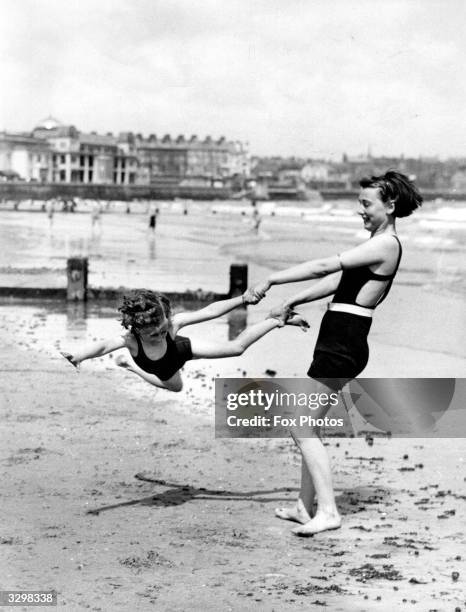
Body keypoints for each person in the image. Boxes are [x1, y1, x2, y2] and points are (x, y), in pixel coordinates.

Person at [245, 170, 422, 536]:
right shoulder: (374, 242)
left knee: (300, 423)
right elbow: (336, 281)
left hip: (344, 344)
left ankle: (327, 511)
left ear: (390, 206)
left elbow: (326, 265)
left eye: (366, 204)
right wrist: (293, 299)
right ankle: (302, 505)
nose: (360, 210)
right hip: (336, 339)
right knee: (306, 421)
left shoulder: (387, 244)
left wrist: (273, 279)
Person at [60, 289, 309, 393]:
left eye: (161, 329)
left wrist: (242, 300)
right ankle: (130, 366)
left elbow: (211, 311)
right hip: (154, 366)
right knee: (176, 388)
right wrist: (79, 356)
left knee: (236, 348)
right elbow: (102, 346)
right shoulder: (130, 340)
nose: (159, 334)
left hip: (179, 351)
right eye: (152, 334)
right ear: (137, 329)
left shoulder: (172, 324)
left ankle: (277, 319)